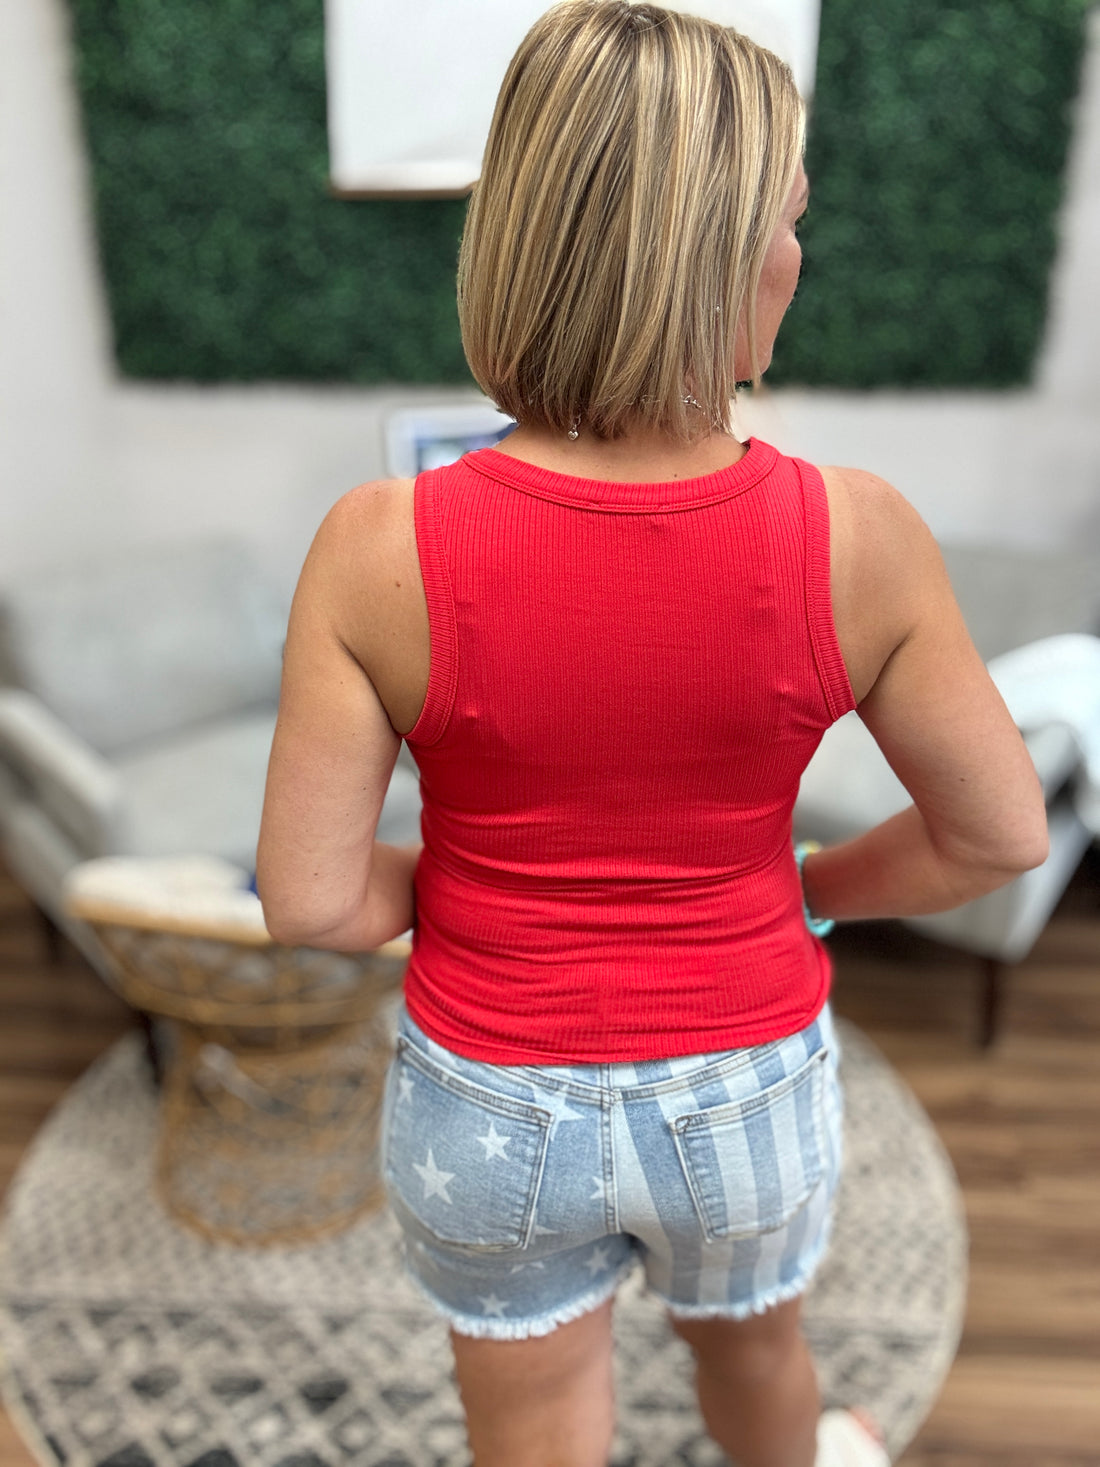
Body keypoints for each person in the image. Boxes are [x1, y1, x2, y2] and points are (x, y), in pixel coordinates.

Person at [256, 4, 1048, 1464]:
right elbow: (998, 836)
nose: (798, 258)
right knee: (759, 1357)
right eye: (789, 222)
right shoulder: (859, 536)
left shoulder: (375, 545)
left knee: (537, 1415)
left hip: (486, 1095)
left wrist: (475, 889)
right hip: (744, 1084)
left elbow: (308, 902)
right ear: (725, 259)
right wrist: (810, 886)